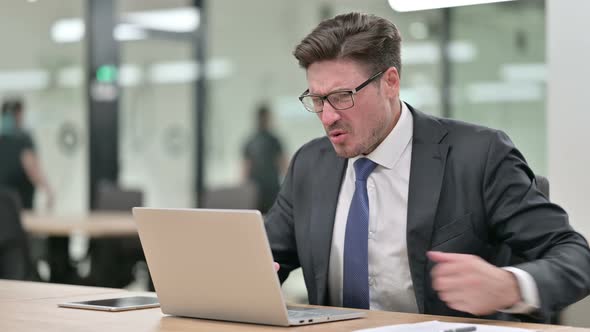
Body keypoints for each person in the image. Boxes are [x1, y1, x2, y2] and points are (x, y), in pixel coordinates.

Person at [264, 12, 590, 322]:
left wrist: (511, 285)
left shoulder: (478, 155)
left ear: (390, 82)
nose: (327, 116)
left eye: (342, 96)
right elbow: (262, 259)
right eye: (318, 99)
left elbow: (576, 257)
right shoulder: (310, 164)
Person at [0, 98, 53, 209]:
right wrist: (48, 190)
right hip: (20, 205)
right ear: (18, 115)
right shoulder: (23, 139)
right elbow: (32, 169)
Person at [242, 103, 287, 214]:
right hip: (262, 189)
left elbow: (282, 163)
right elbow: (246, 167)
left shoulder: (253, 141)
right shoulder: (254, 141)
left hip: (267, 188)